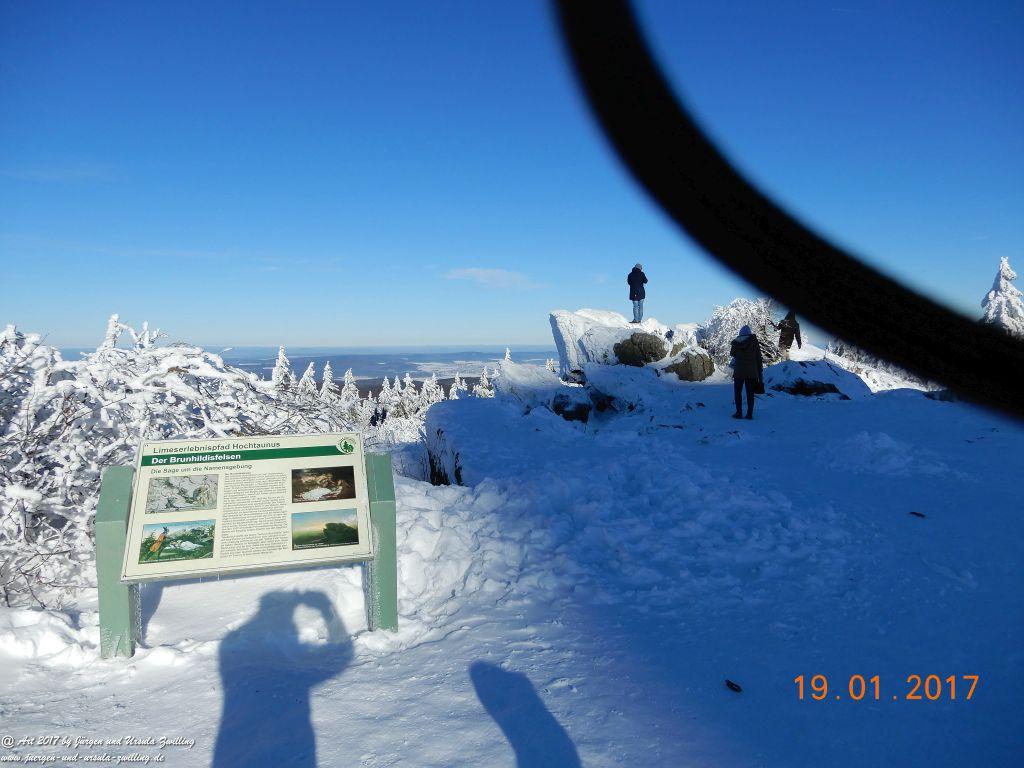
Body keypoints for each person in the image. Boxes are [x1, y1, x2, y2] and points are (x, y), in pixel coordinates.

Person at [729, 325, 763, 420]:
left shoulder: (736, 342)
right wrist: (760, 373)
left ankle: (739, 413)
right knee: (750, 394)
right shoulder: (754, 342)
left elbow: (732, 354)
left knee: (737, 393)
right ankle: (749, 414)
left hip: (739, 371)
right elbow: (758, 358)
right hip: (752, 372)